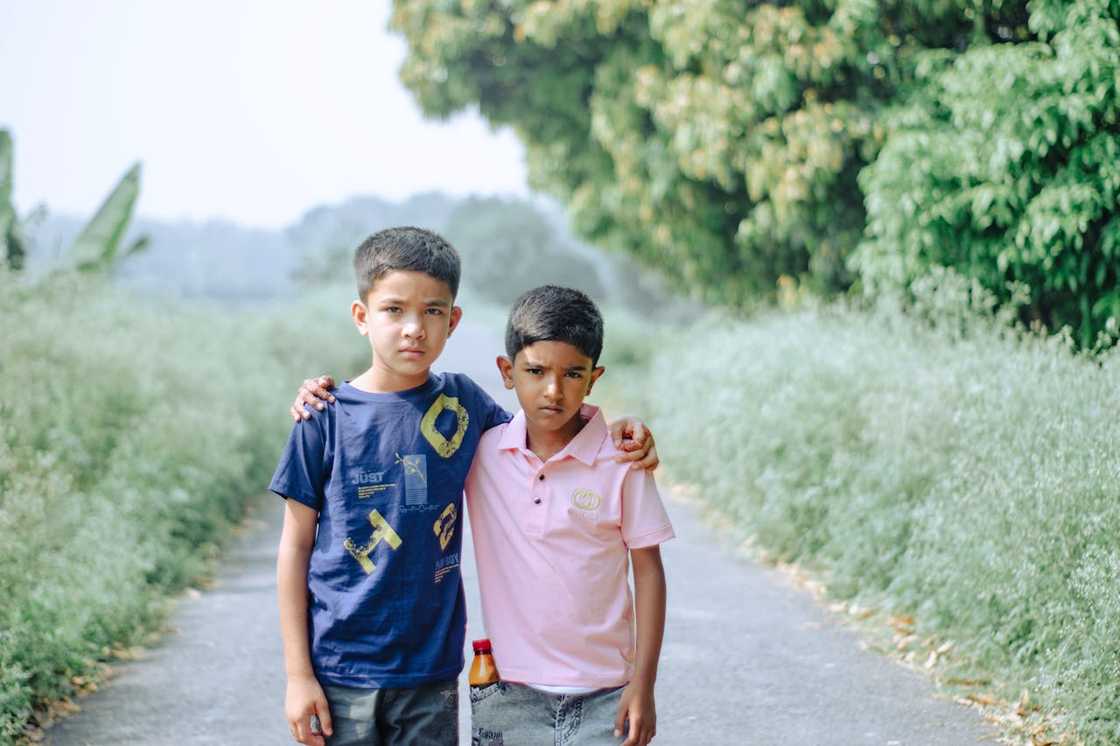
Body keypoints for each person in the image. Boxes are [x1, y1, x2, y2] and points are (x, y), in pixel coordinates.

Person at [271, 227, 657, 746]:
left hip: (432, 673)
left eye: (432, 311)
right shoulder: (322, 418)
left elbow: (543, 429)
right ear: (362, 317)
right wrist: (298, 675)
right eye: (393, 310)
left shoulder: (464, 405)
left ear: (453, 321)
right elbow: (294, 548)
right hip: (339, 667)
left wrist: (619, 431)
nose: (413, 328)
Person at [465, 285, 672, 746]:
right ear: (507, 371)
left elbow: (649, 573)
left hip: (607, 694)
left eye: (572, 374)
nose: (553, 391)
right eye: (535, 372)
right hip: (509, 695)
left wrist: (644, 684)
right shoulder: (482, 453)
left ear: (594, 378)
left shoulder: (622, 462)